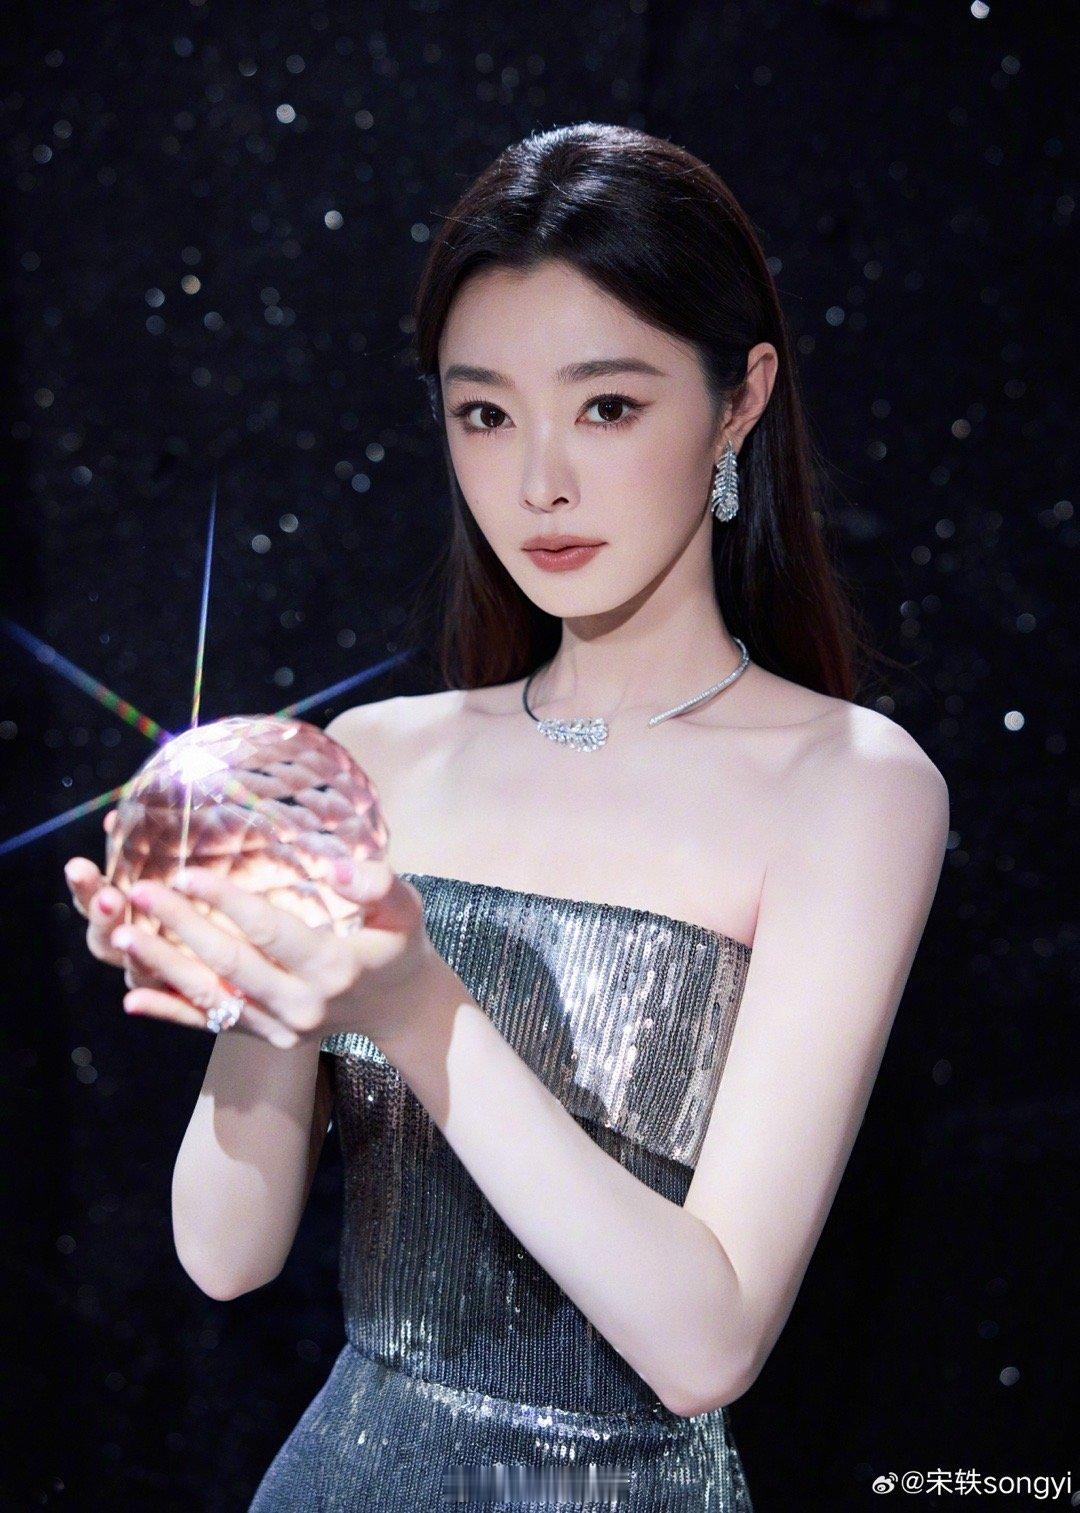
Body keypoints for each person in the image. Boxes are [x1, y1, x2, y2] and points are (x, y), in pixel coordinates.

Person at [63, 123, 950, 1510]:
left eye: (608, 408)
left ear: (740, 400)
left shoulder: (852, 784)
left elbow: (705, 1342)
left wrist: (416, 1005)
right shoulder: (374, 757)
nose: (538, 483)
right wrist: (249, 994)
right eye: (484, 414)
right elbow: (224, 1257)